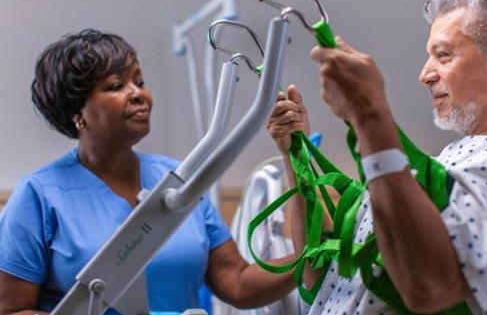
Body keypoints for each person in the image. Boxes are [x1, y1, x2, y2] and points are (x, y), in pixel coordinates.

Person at [267, 0, 487, 315]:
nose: (425, 75)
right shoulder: (449, 166)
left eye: (443, 55)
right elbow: (320, 277)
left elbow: (431, 288)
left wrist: (369, 116)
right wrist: (296, 154)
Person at [0, 29, 295, 315]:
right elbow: (11, 309)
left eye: (139, 82)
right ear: (77, 113)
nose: (139, 94)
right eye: (116, 86)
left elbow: (238, 283)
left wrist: (313, 259)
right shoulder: (39, 195)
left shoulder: (181, 179)